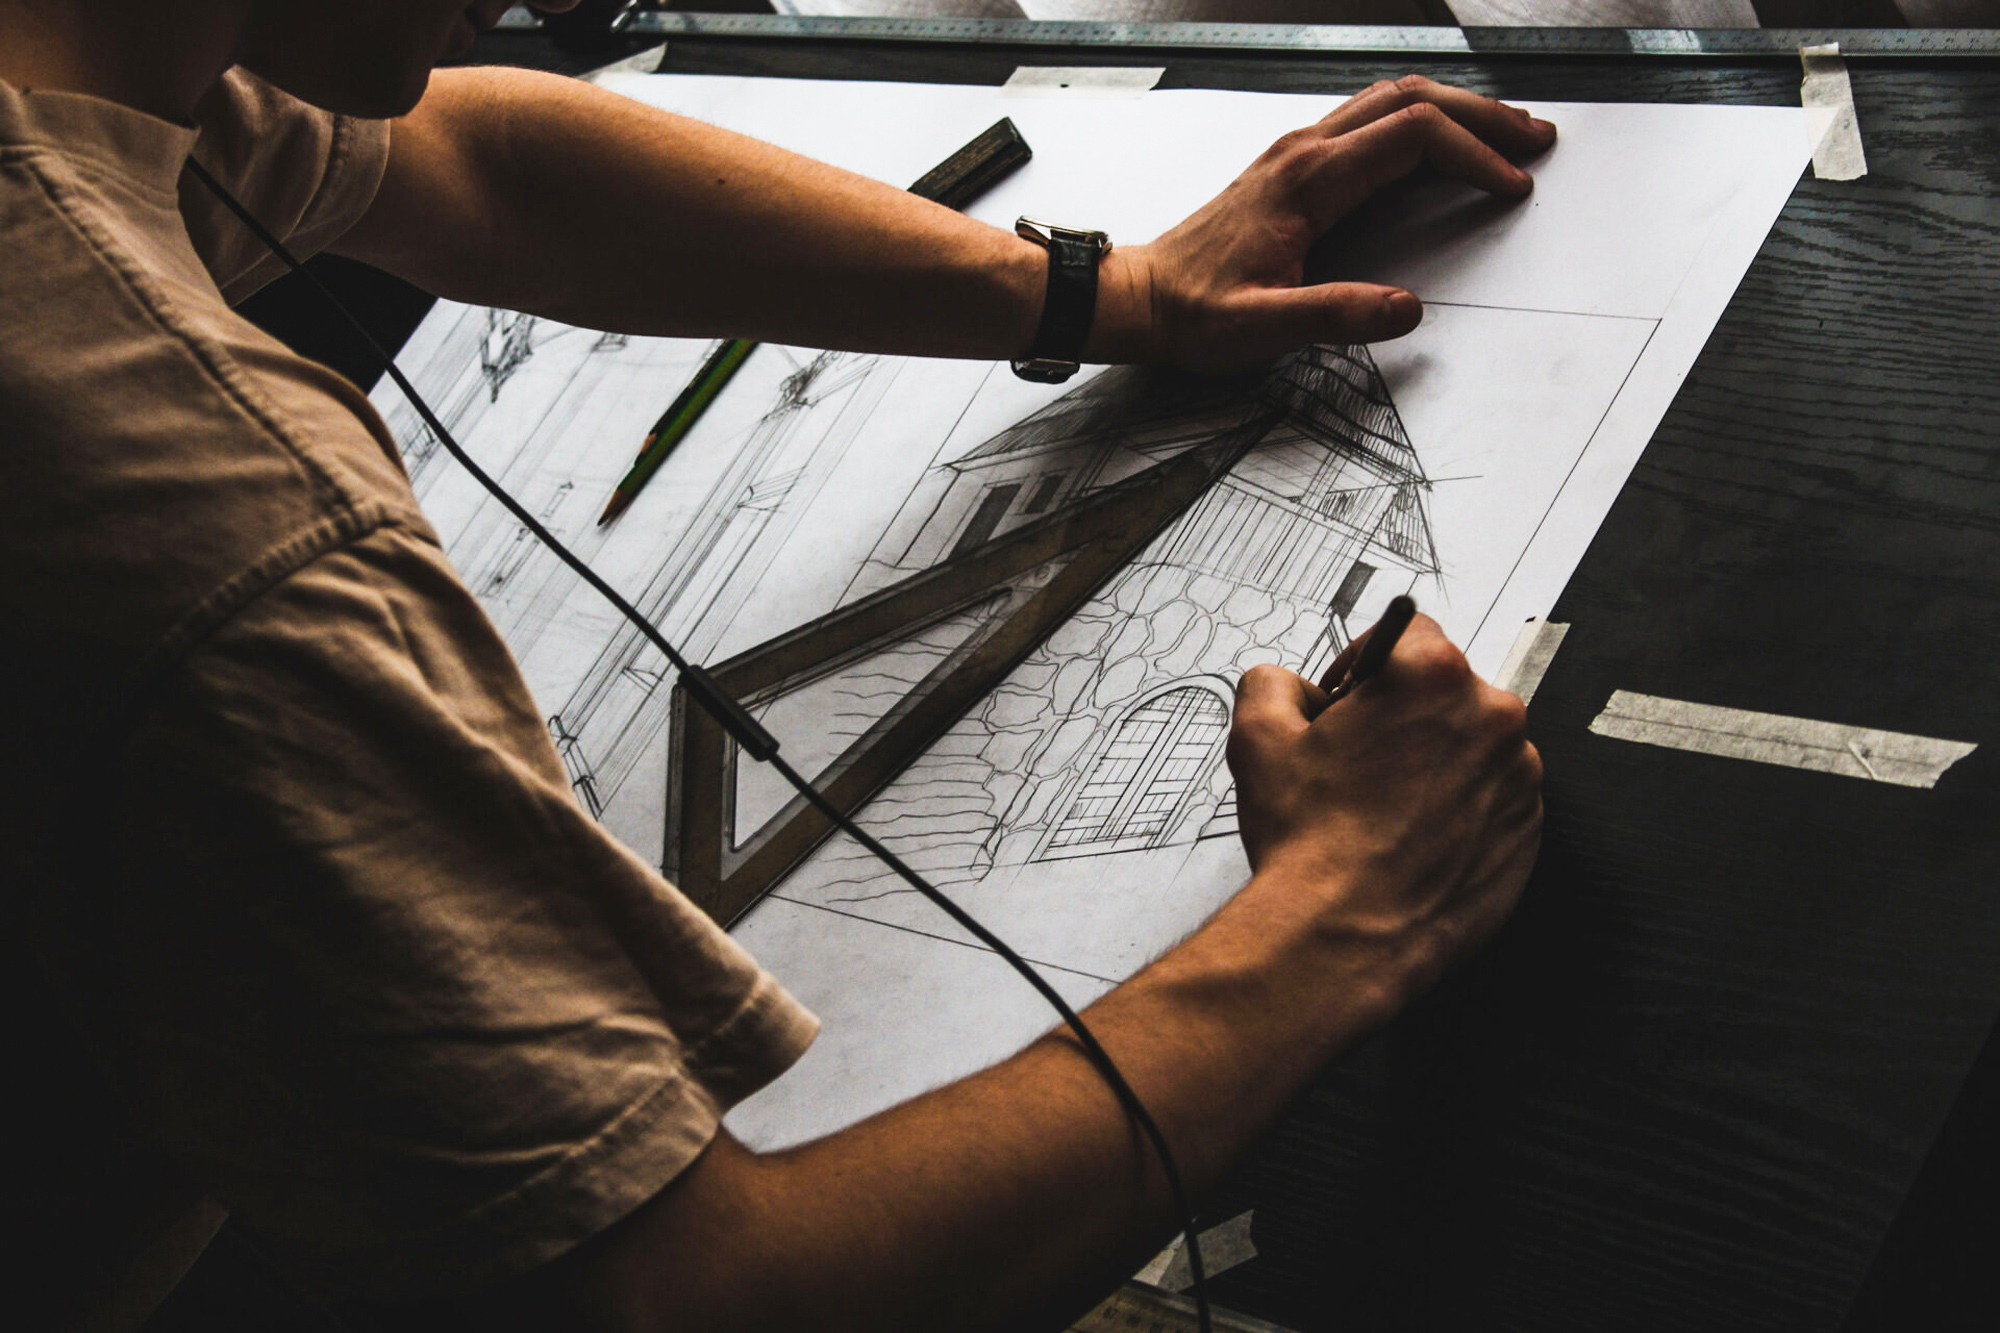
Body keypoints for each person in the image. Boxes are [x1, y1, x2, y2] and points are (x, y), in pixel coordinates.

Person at [0, 2, 1549, 1329]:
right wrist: (1343, 914)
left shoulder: (129, 55)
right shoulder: (190, 493)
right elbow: (681, 1300)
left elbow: (485, 165)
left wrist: (1104, 292)